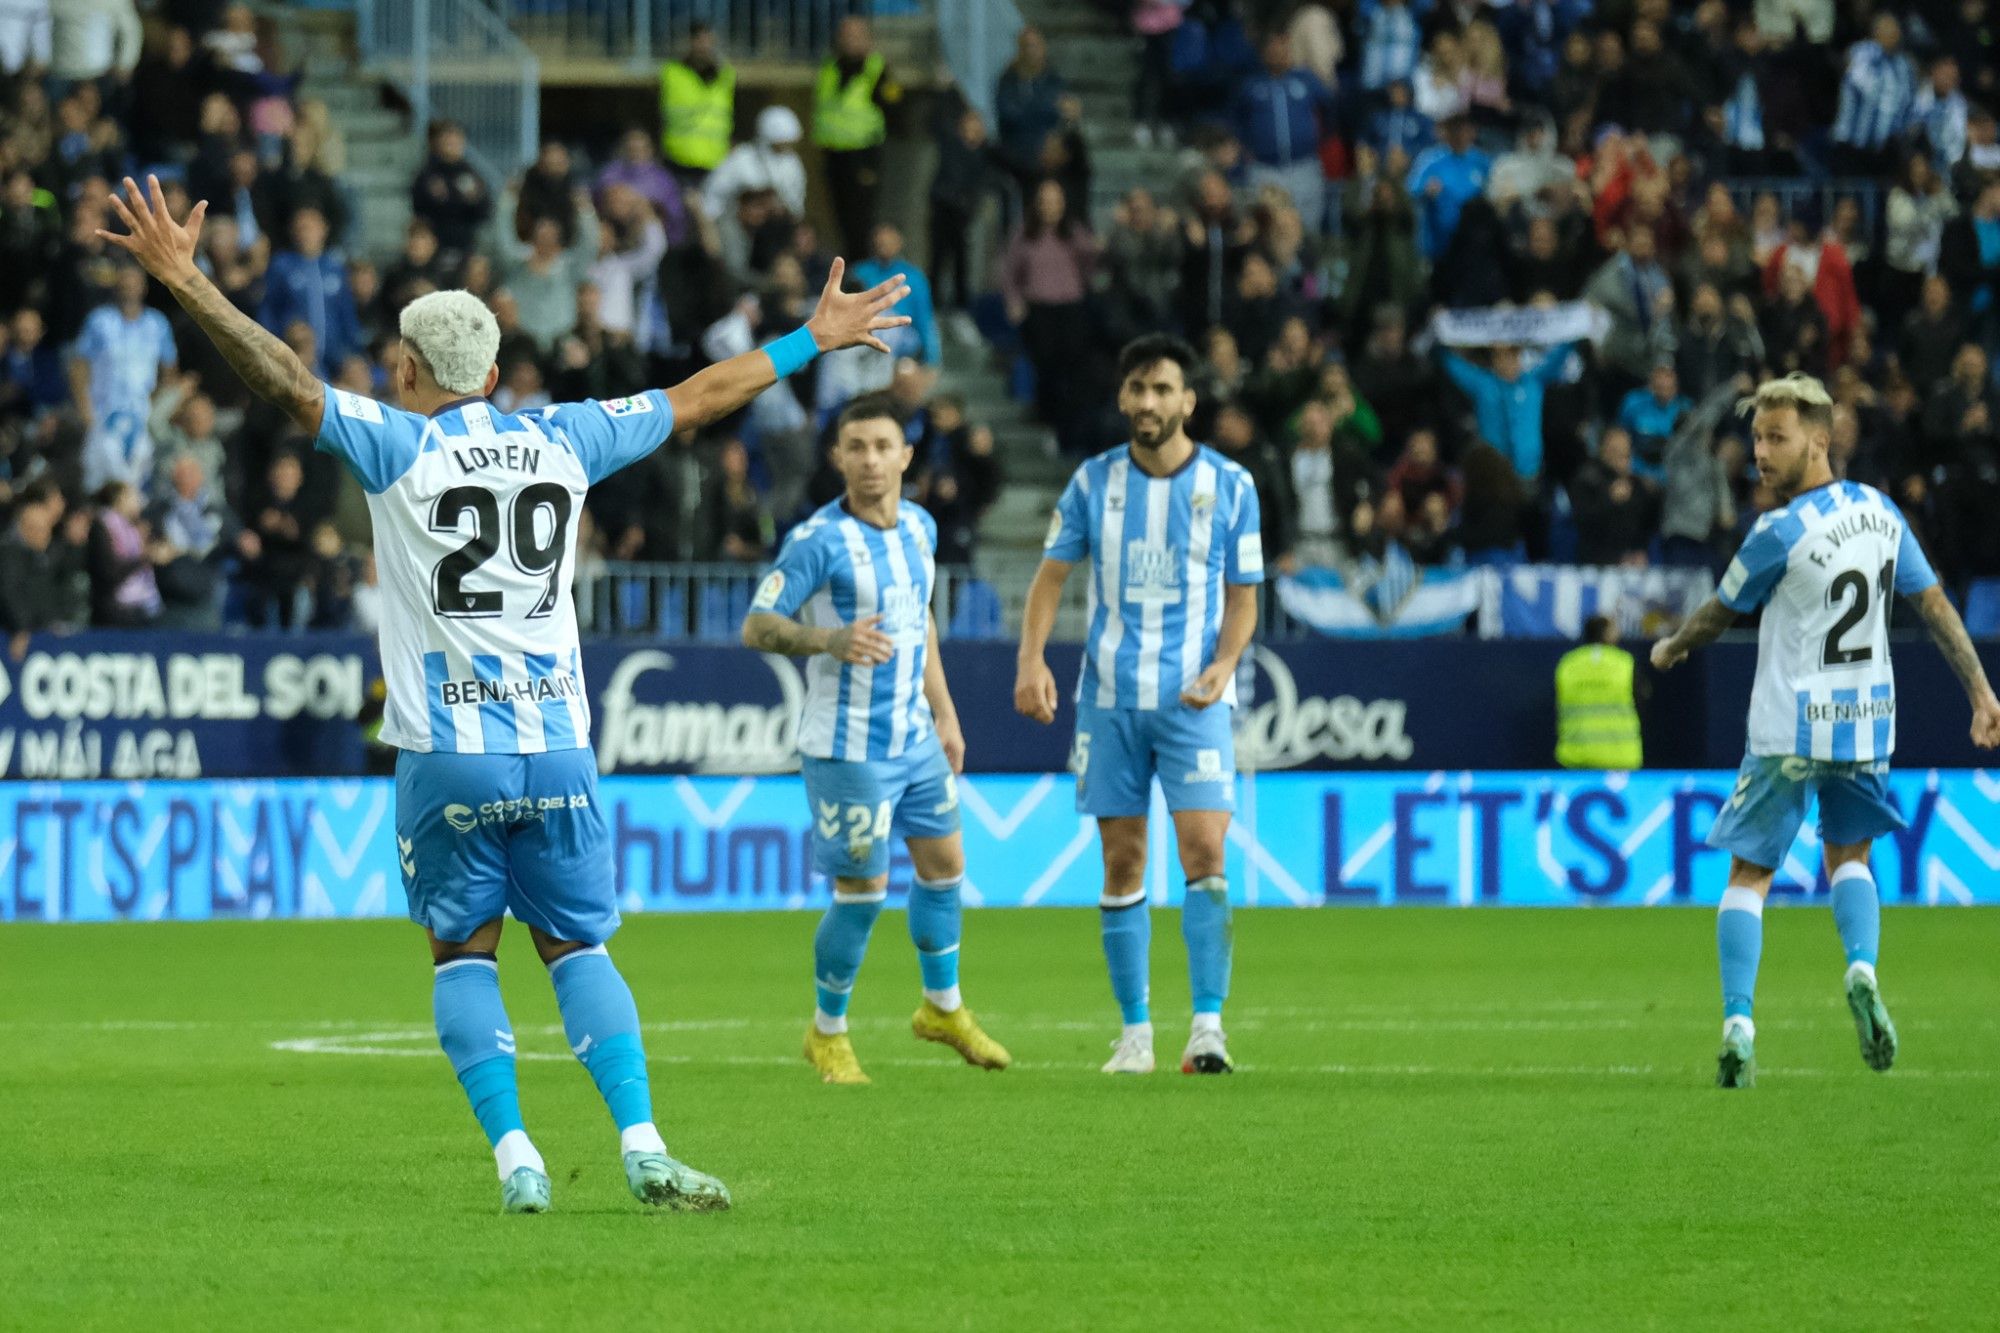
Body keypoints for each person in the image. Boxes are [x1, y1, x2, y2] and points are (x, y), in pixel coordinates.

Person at [98, 172, 910, 1210]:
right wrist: (811, 337)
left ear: (405, 367)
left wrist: (185, 281)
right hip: (561, 746)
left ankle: (517, 1157)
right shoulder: (561, 437)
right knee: (577, 944)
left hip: (449, 751)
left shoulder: (395, 445)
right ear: (489, 369)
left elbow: (287, 382)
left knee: (460, 951)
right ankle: (643, 1142)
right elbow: (700, 394)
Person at [1650, 373, 2000, 1089]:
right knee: (1851, 859)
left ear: (1820, 437)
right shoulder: (1882, 513)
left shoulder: (1778, 532)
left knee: (1750, 873)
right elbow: (1934, 607)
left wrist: (1674, 645)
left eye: (1775, 438)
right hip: (1865, 723)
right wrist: (1981, 690)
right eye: (1755, 439)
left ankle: (1739, 1026)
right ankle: (1863, 968)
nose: (1761, 453)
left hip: (1786, 730)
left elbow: (1720, 611)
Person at [739, 396, 1011, 1086]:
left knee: (946, 863)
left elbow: (919, 622)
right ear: (838, 457)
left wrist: (944, 713)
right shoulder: (817, 541)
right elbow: (758, 624)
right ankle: (827, 1032)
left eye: (881, 445)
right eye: (855, 446)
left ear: (905, 454)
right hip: (847, 746)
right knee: (863, 888)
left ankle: (942, 1007)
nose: (869, 459)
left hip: (915, 737)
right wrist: (826, 637)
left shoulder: (919, 526)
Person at [1014, 334, 1263, 1077]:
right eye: (1137, 389)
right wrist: (1031, 661)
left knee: (1206, 852)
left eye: (1162, 389)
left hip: (1193, 702)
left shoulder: (1231, 485)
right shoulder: (1093, 484)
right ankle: (1134, 1034)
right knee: (1122, 861)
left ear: (1188, 400)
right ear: (1123, 399)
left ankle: (1208, 1027)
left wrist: (1224, 664)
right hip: (1110, 701)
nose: (1147, 402)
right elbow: (1050, 579)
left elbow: (1244, 598)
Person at [70, 264, 177, 493]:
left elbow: (169, 370)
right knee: (99, 483)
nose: (128, 289)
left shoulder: (157, 323)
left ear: (143, 288)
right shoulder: (99, 321)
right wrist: (85, 410)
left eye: (133, 284)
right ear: (116, 288)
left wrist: (156, 403)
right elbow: (79, 367)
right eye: (123, 284)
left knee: (136, 485)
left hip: (141, 416)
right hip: (102, 414)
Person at [813, 16, 899, 255]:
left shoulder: (876, 69)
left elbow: (893, 108)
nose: (849, 41)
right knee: (839, 220)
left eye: (856, 35)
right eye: (845, 35)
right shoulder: (830, 67)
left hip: (862, 155)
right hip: (833, 153)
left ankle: (861, 273)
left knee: (860, 221)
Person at [1554, 613, 1642, 770]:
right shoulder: (1624, 663)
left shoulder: (1568, 663)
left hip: (1575, 758)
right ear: (1607, 633)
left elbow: (1559, 702)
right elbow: (1642, 698)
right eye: (1615, 628)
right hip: (1621, 759)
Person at [657, 23, 734, 182]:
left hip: (716, 162)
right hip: (678, 161)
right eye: (699, 41)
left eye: (708, 41)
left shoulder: (725, 76)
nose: (704, 47)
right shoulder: (672, 73)